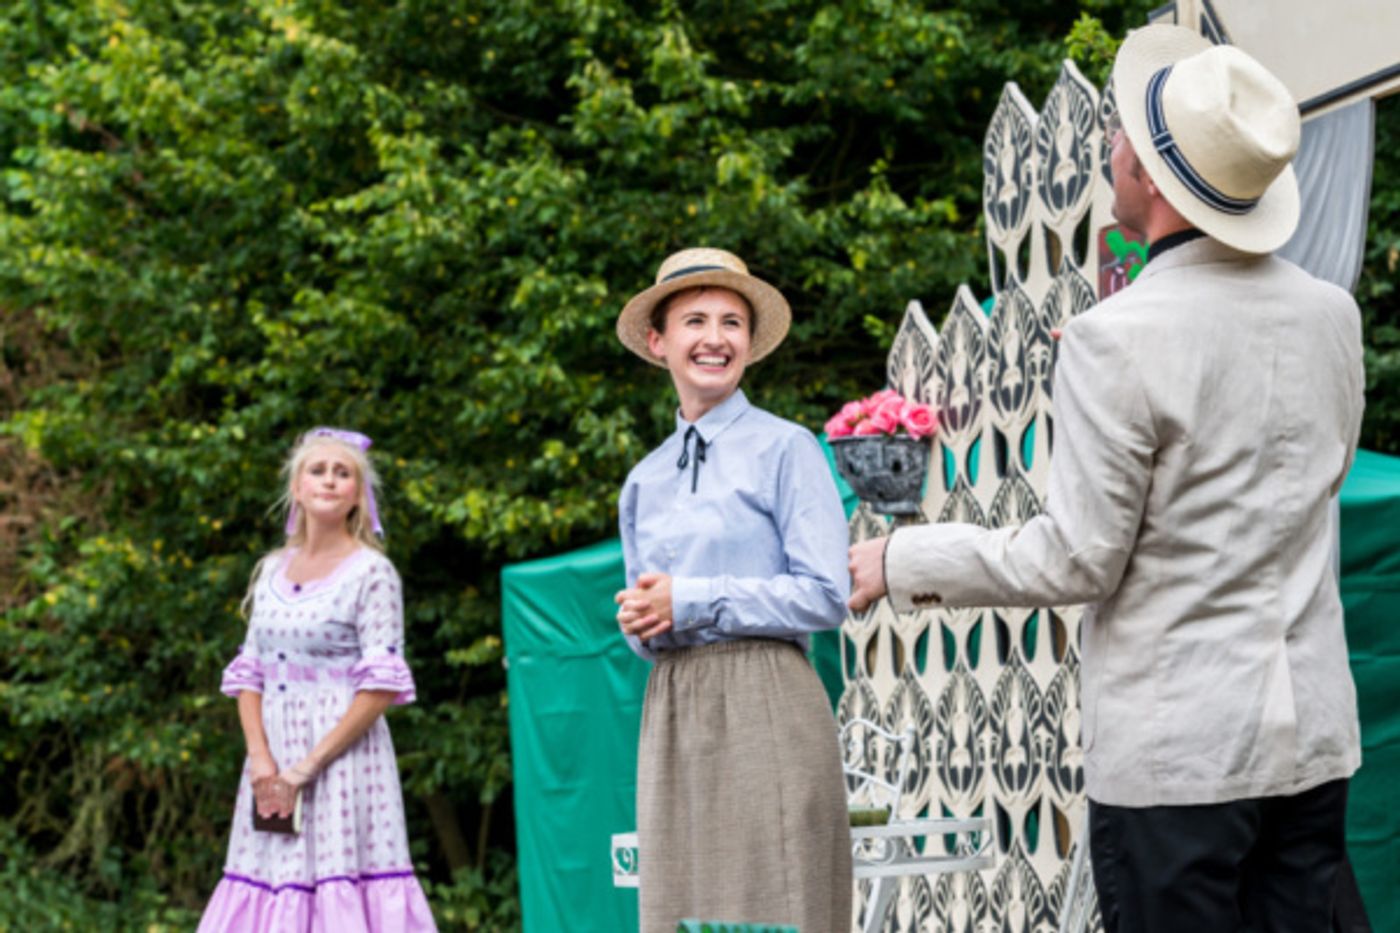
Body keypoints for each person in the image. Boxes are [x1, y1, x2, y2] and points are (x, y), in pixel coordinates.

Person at [848, 26, 1365, 933]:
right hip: (1312, 743)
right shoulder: (1333, 315)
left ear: (1153, 181)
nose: (1109, 147)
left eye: (1122, 133)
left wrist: (899, 555)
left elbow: (1074, 558)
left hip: (1179, 759)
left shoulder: (1117, 336)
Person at [614, 247, 853, 933]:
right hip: (674, 708)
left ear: (749, 341)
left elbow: (824, 594)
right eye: (694, 320)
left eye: (731, 322)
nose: (714, 338)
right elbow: (649, 616)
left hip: (768, 698)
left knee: (779, 900)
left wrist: (690, 598)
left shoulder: (787, 448)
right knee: (678, 906)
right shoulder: (644, 479)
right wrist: (643, 619)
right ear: (659, 343)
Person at [199, 427, 437, 932]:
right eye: (318, 470)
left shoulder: (372, 572)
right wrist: (263, 761)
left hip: (343, 759)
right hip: (271, 759)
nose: (329, 480)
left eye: (343, 472)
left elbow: (380, 685)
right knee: (269, 875)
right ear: (298, 487)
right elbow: (251, 671)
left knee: (337, 875)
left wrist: (306, 767)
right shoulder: (270, 571)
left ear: (357, 495)